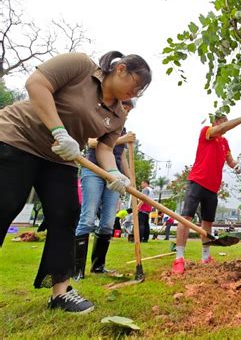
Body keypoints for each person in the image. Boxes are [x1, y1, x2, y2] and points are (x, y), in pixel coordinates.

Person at [0, 50, 151, 313]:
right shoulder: (81, 66)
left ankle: (60, 292)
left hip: (60, 158)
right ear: (121, 69)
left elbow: (105, 148)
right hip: (17, 138)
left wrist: (114, 174)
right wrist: (59, 131)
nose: (135, 94)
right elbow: (37, 84)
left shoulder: (118, 115)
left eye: (140, 91)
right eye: (135, 85)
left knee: (66, 216)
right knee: (5, 205)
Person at [172, 105, 241, 274]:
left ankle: (205, 256)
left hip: (213, 187)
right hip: (197, 182)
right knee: (186, 218)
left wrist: (236, 165)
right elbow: (220, 129)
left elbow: (229, 158)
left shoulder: (224, 142)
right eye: (224, 123)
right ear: (218, 121)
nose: (227, 128)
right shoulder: (207, 131)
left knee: (208, 222)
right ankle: (179, 258)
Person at [73, 99, 136, 280]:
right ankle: (77, 270)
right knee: (88, 217)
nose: (126, 112)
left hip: (114, 177)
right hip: (93, 170)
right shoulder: (102, 120)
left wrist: (130, 179)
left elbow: (122, 157)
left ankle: (98, 266)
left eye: (129, 110)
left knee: (108, 221)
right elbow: (92, 143)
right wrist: (123, 139)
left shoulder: (121, 128)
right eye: (124, 108)